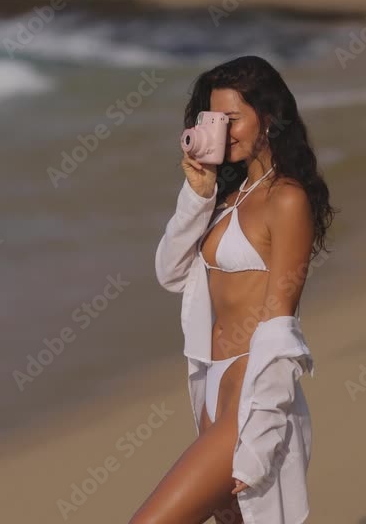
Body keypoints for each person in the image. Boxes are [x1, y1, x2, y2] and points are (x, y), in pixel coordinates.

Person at [130, 55, 336, 524]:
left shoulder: (287, 198)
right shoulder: (227, 197)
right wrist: (197, 195)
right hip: (211, 382)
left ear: (269, 116)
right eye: (215, 119)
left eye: (234, 119)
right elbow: (169, 272)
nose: (225, 131)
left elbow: (282, 323)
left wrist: (262, 435)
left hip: (252, 388)